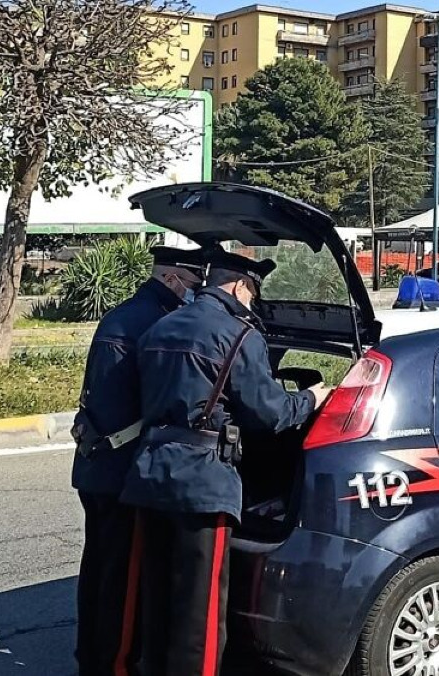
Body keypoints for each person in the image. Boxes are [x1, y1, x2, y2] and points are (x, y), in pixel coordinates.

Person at [120, 250, 332, 676]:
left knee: (156, 596)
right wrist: (312, 398)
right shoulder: (238, 334)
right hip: (203, 482)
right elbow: (269, 414)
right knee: (199, 609)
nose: (253, 302)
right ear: (239, 285)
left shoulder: (162, 325)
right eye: (253, 292)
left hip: (148, 475)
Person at [71, 246, 206, 676]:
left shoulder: (124, 314)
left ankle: (90, 657)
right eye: (193, 283)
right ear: (172, 279)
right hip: (124, 470)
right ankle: (116, 664)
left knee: (98, 571)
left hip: (95, 465)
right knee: (122, 584)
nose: (196, 292)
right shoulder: (159, 324)